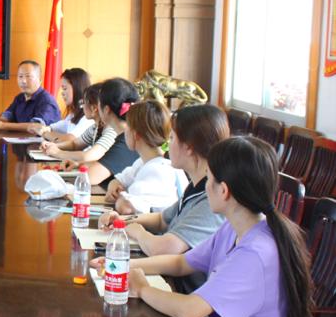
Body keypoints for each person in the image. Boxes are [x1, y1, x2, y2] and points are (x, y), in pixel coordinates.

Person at [102, 136, 310, 317]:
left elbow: (190, 310)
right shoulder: (234, 229)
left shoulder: (257, 253)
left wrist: (143, 288)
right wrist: (121, 266)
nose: (205, 184)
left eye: (209, 178)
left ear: (224, 190)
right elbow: (182, 262)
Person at [98, 104, 230, 264]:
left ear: (189, 148)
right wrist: (122, 220)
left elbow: (162, 248)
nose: (167, 143)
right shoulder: (196, 186)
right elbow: (162, 219)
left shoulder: (212, 199)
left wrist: (137, 231)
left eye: (172, 138)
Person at [104, 100, 187, 215]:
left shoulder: (157, 170)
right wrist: (114, 186)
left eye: (127, 126)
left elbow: (127, 208)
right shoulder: (144, 162)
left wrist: (120, 197)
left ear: (136, 134)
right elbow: (120, 180)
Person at [40, 83, 115, 172]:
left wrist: (57, 152)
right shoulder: (95, 127)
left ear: (94, 108)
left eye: (84, 103)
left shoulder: (111, 130)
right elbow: (75, 144)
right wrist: (54, 146)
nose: (82, 107)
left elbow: (87, 157)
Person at [0, 60, 61, 132]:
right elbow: (7, 116)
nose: (23, 81)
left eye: (28, 76)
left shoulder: (47, 101)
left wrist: (1, 125)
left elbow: (36, 127)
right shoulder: (20, 98)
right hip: (20, 142)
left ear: (40, 79)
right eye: (20, 76)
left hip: (43, 144)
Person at [28, 68, 93, 141]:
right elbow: (60, 126)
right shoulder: (73, 114)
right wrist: (45, 128)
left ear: (77, 88)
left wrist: (44, 133)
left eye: (64, 88)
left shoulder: (88, 116)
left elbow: (70, 140)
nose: (62, 93)